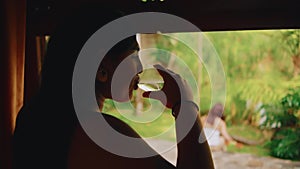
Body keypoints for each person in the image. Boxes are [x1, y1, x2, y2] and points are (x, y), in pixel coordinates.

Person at [13, 4, 214, 169]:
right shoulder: (97, 133)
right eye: (134, 54)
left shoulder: (32, 117)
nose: (141, 67)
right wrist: (185, 106)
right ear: (101, 67)